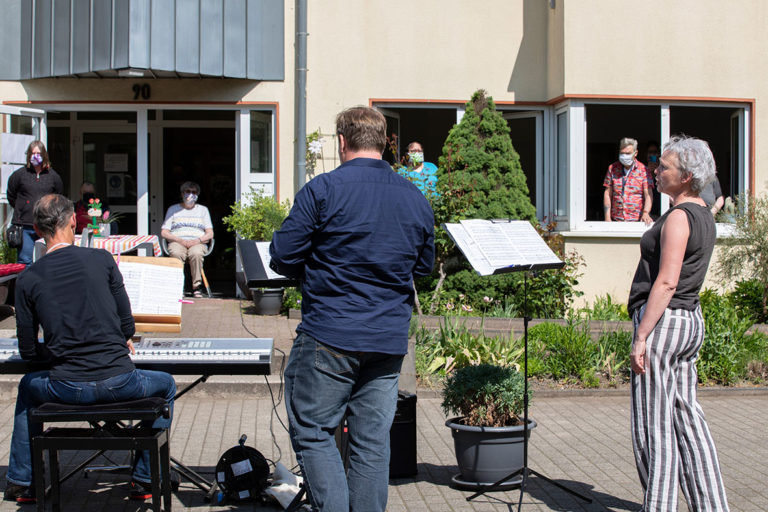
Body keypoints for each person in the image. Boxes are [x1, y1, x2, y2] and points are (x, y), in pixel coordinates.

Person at [270, 106, 434, 512]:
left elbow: (282, 255)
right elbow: (424, 267)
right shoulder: (415, 197)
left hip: (330, 335)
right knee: (372, 442)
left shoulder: (323, 189)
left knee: (313, 430)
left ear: (342, 142)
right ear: (384, 143)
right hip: (387, 341)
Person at [4, 194, 176, 503]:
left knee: (27, 387)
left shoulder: (28, 278)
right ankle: (143, 478)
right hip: (121, 383)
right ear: (73, 221)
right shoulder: (101, 259)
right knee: (166, 384)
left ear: (36, 228)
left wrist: (58, 353)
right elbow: (128, 327)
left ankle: (23, 481)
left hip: (65, 387)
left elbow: (28, 351)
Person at [627, 135, 730, 511]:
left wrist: (641, 337)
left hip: (664, 325)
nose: (656, 171)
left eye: (664, 167)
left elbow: (667, 281)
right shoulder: (704, 212)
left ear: (686, 176)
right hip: (690, 321)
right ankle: (711, 505)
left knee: (653, 429)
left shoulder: (680, 218)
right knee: (688, 421)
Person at [6, 141, 63, 264]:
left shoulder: (53, 176)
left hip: (45, 224)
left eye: (38, 153)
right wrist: (22, 207)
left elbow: (58, 196)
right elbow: (11, 194)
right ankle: (26, 283)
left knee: (47, 259)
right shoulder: (20, 174)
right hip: (24, 225)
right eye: (33, 153)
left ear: (44, 155)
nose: (35, 156)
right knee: (24, 260)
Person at [160, 181, 214, 298]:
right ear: (182, 193)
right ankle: (178, 286)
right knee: (176, 253)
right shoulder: (173, 209)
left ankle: (196, 287)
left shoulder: (203, 210)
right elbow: (164, 232)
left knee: (196, 253)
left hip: (197, 242)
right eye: (187, 191)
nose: (190, 194)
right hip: (177, 241)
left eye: (194, 192)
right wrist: (180, 240)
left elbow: (210, 233)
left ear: (198, 194)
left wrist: (197, 241)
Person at [603, 137, 653, 225]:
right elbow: (607, 193)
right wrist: (607, 218)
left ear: (635, 153)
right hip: (616, 221)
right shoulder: (613, 169)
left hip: (637, 222)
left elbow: (648, 194)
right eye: (622, 153)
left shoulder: (643, 170)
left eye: (628, 153)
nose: (624, 156)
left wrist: (646, 213)